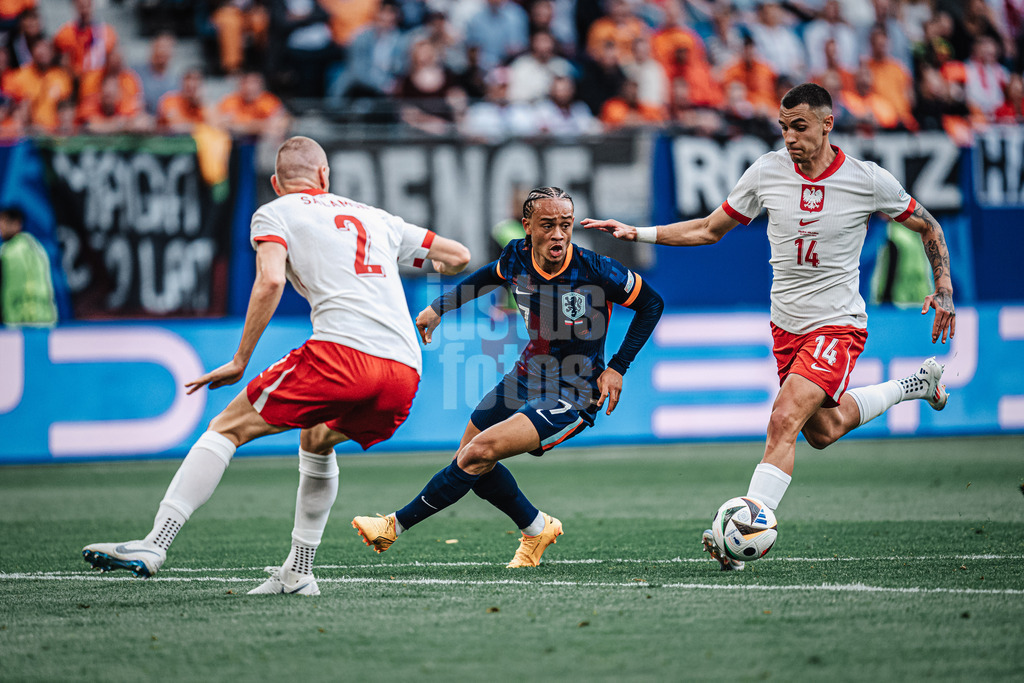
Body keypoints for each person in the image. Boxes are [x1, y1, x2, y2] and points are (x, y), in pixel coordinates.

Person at [582, 83, 955, 571]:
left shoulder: (868, 181)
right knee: (822, 429)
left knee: (783, 419)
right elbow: (710, 229)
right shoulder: (767, 172)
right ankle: (915, 385)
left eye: (799, 126)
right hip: (786, 327)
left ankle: (743, 531)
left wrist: (943, 287)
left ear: (827, 124)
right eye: (783, 126)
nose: (790, 137)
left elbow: (928, 224)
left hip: (836, 324)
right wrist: (639, 233)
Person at [81, 136, 471, 595]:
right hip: (404, 369)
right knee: (317, 437)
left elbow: (269, 280)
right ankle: (299, 572)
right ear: (325, 177)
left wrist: (240, 359)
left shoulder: (276, 212)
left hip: (343, 353)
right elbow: (458, 256)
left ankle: (155, 543)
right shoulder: (376, 218)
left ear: (275, 182)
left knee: (227, 428)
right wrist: (412, 260)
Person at [352, 186, 664, 568]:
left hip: (575, 388)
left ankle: (392, 526)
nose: (558, 235)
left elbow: (651, 303)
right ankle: (537, 528)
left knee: (478, 453)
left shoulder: (596, 270)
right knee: (468, 459)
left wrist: (617, 367)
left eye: (565, 225)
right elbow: (489, 276)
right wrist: (440, 307)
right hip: (527, 374)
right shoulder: (516, 254)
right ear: (527, 226)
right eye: (547, 225)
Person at [0, 206, 57, 326]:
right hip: (45, 319)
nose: (1, 227)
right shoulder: (37, 247)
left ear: (17, 223)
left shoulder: (9, 251)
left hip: (19, 320)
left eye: (3, 221)